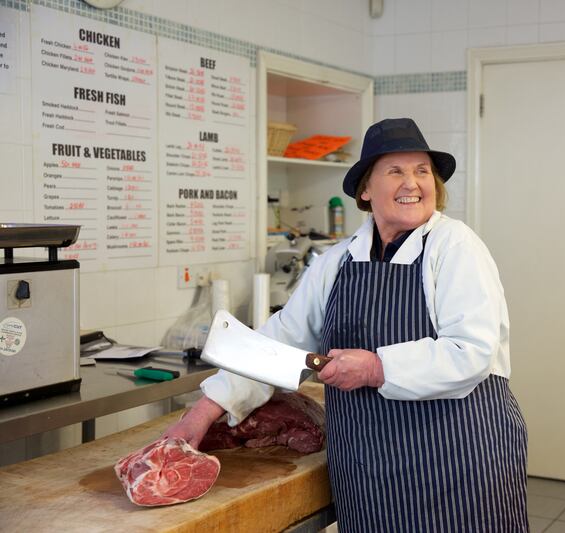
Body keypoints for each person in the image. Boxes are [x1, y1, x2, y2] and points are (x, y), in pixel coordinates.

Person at [165, 118, 529, 532]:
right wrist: (202, 412)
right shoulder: (337, 262)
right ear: (366, 190)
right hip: (368, 472)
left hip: (457, 461)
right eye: (395, 171)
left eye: (422, 171)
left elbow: (471, 352)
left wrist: (375, 367)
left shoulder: (455, 246)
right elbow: (278, 342)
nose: (412, 183)